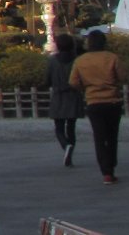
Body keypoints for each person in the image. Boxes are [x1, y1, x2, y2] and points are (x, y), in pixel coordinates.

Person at [69, 29, 124, 184]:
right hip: (112, 100)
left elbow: (73, 82)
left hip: (93, 101)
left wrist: (85, 88)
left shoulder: (81, 61)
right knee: (112, 136)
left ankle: (105, 171)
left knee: (99, 137)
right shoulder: (112, 57)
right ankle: (111, 166)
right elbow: (122, 77)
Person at [45, 33, 85, 166]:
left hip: (59, 95)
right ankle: (70, 151)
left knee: (59, 127)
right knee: (71, 127)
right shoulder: (77, 60)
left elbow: (47, 80)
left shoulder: (52, 61)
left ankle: (65, 145)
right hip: (73, 95)